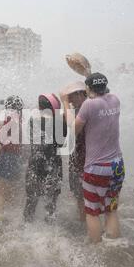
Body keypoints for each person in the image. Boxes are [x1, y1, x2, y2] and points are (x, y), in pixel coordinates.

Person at [61, 73, 125, 244]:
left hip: (97, 167)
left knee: (92, 212)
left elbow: (72, 130)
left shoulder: (89, 105)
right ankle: (114, 246)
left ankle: (97, 250)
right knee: (111, 210)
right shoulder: (115, 99)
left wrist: (65, 102)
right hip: (117, 164)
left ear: (88, 90)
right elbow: (101, 90)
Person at [24, 93, 66, 223]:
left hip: (34, 165)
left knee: (31, 199)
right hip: (53, 165)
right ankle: (50, 232)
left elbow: (31, 141)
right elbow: (61, 143)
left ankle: (27, 227)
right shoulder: (59, 122)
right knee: (51, 201)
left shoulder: (32, 120)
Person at [0, 95, 25, 221]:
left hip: (6, 156)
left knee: (2, 191)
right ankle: (12, 217)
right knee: (13, 187)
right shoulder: (18, 118)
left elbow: (2, 137)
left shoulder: (6, 117)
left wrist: (1, 146)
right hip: (15, 156)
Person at [61, 81, 87, 222]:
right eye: (68, 97)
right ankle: (88, 225)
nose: (69, 100)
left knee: (83, 198)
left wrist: (64, 102)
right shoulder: (91, 107)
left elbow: (71, 128)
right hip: (78, 160)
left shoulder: (85, 109)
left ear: (80, 94)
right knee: (80, 197)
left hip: (84, 160)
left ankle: (88, 227)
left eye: (71, 96)